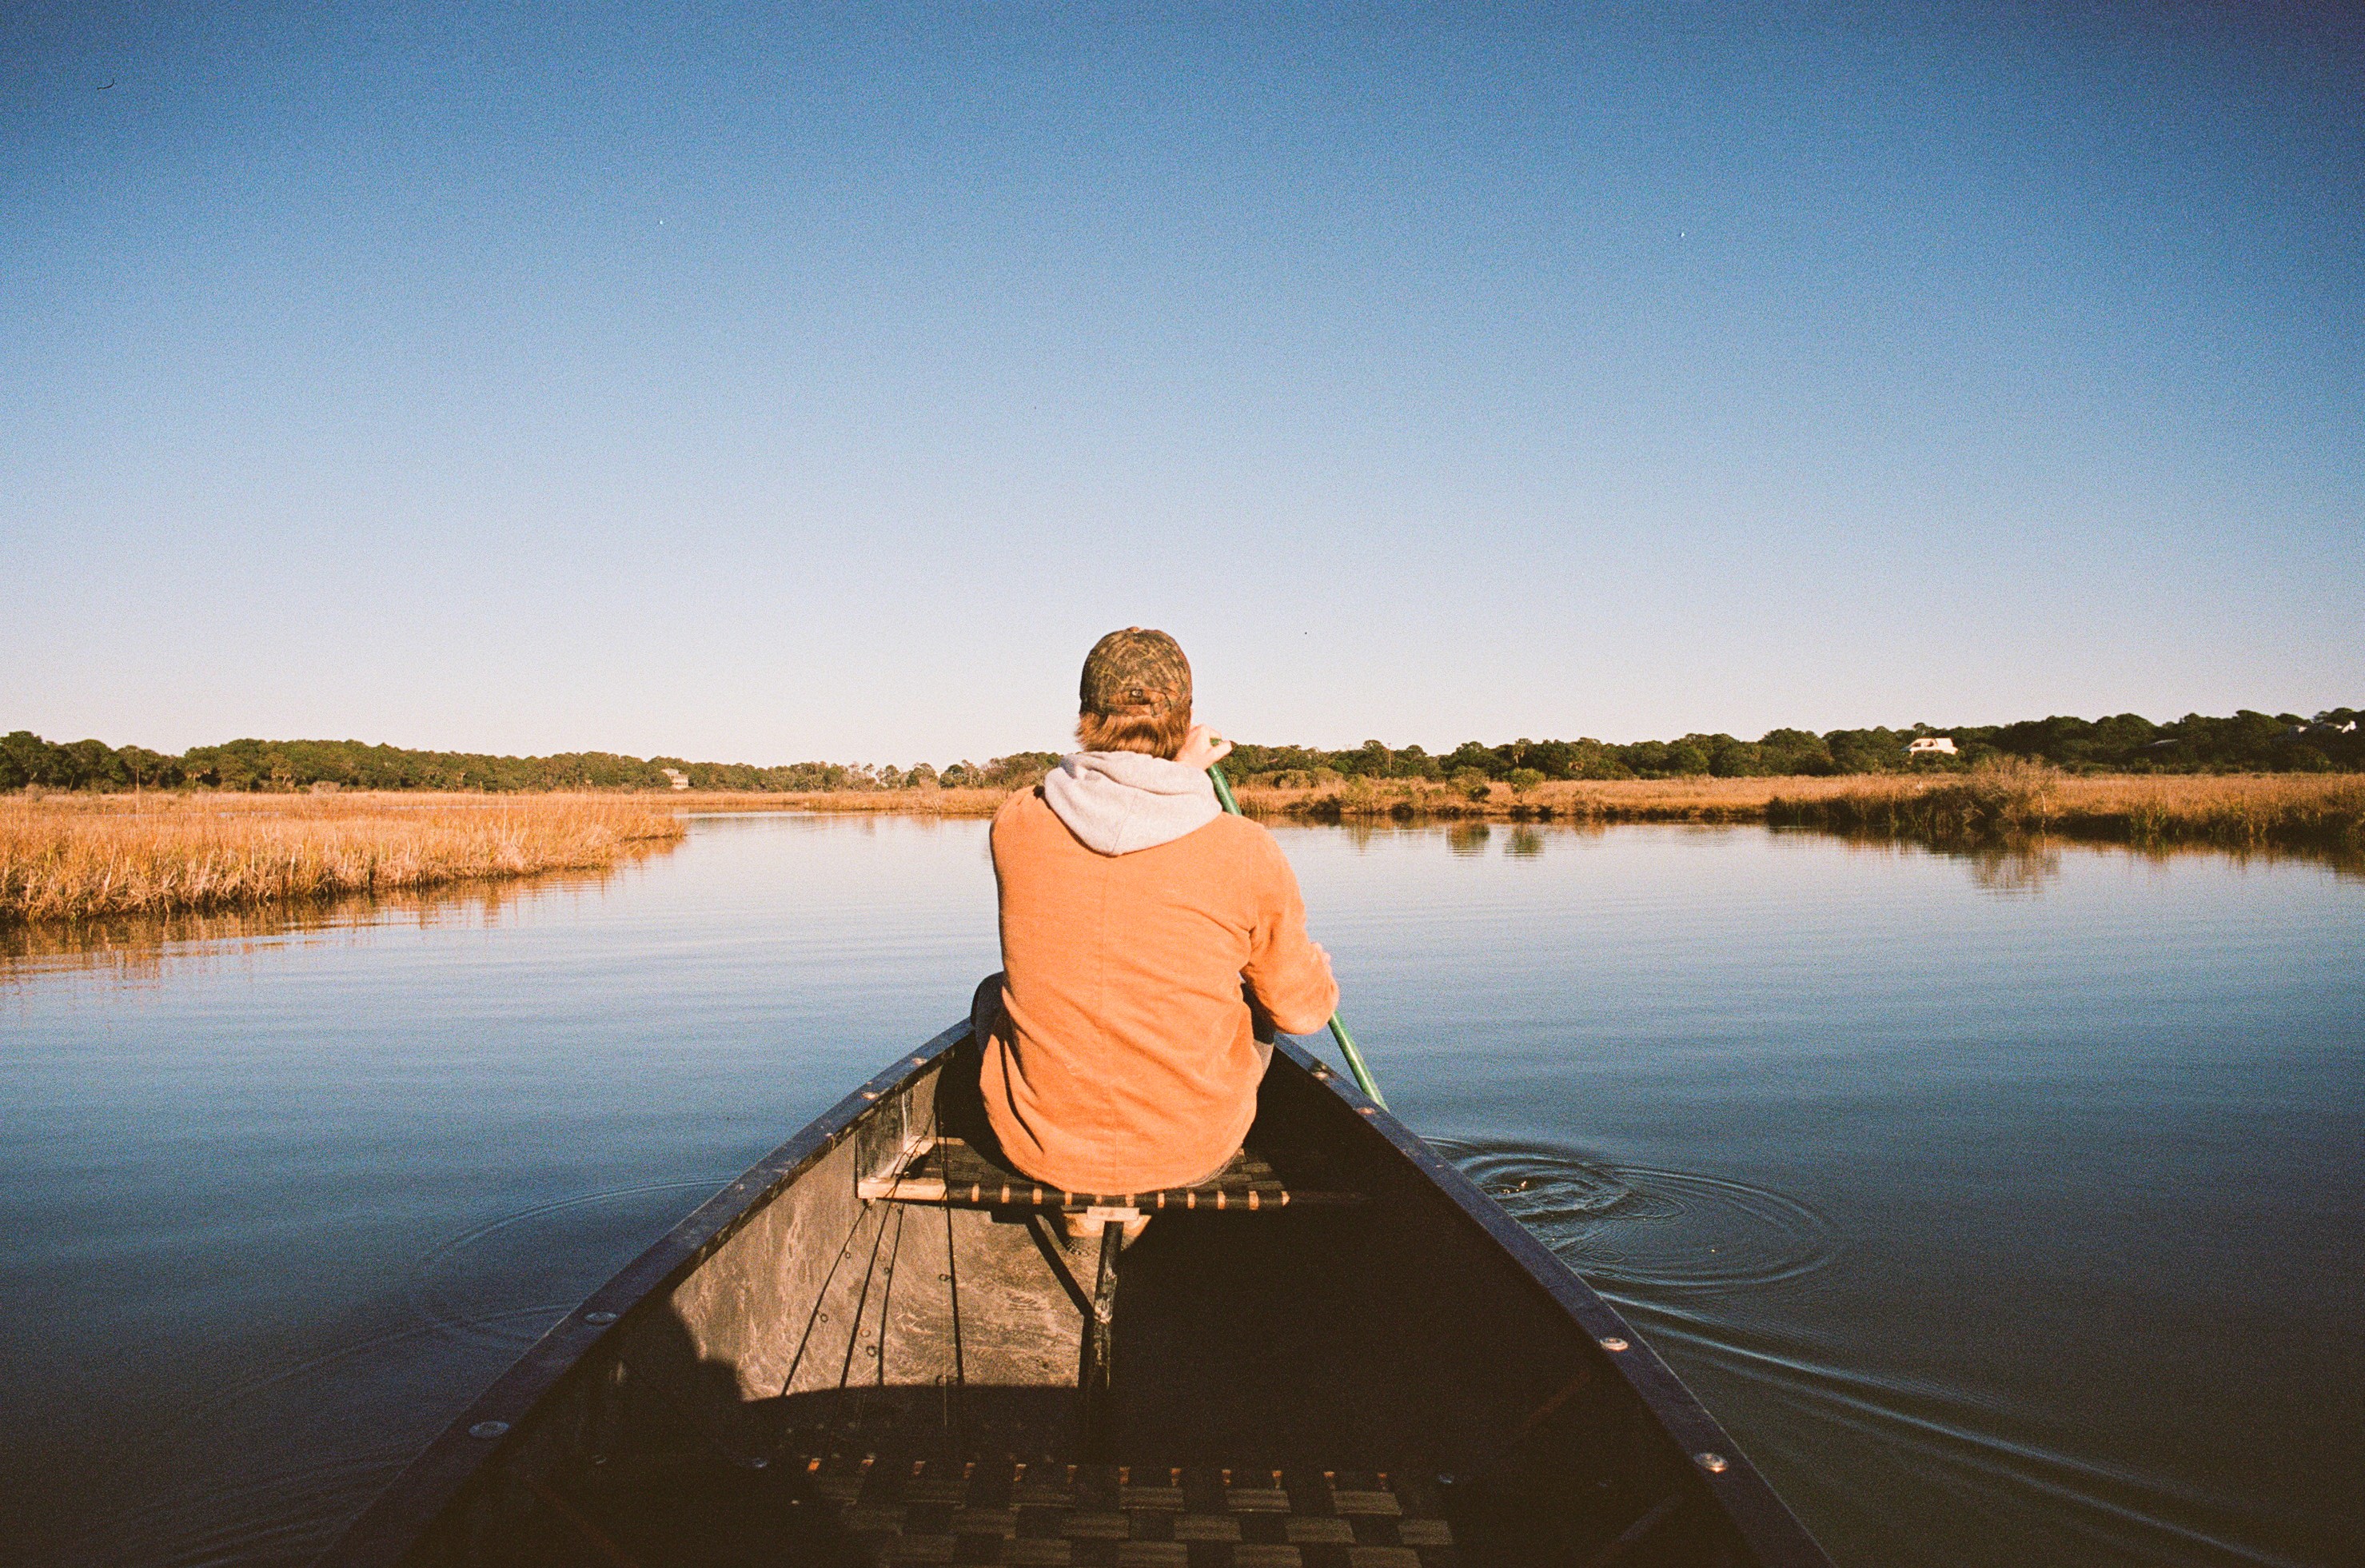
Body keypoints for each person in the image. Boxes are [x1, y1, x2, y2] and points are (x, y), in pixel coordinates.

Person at [963, 627, 1338, 1231]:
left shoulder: (1017, 824)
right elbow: (1302, 1013)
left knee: (990, 992)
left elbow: (1111, 800)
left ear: (1085, 716)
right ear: (1186, 718)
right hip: (1191, 1150)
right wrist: (1315, 971)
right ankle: (1134, 1201)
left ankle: (1084, 1205)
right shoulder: (1245, 850)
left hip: (1038, 1145)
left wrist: (1170, 767)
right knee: (1258, 1006)